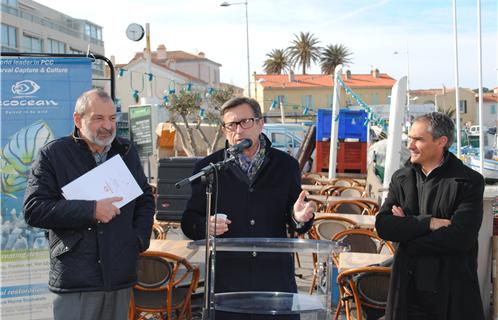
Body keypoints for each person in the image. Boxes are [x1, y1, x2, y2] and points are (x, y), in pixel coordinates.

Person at [23, 89, 155, 320]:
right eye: (98, 118)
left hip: (119, 276)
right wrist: (90, 210)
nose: (107, 126)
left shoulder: (126, 151)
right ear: (77, 119)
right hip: (77, 278)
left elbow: (144, 199)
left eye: (112, 118)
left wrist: (137, 240)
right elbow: (34, 209)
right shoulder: (53, 154)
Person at [181, 97, 315, 319]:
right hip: (228, 283)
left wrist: (298, 217)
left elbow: (297, 217)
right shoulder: (208, 168)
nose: (238, 130)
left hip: (274, 281)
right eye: (231, 125)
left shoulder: (286, 165)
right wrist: (206, 225)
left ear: (260, 123)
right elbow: (188, 220)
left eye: (245, 122)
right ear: (224, 130)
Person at [375, 112, 485, 320]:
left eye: (418, 139)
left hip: (451, 293)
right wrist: (430, 223)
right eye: (410, 138)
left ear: (441, 142)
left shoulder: (469, 182)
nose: (410, 145)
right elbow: (384, 226)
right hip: (406, 291)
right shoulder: (401, 178)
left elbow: (461, 238)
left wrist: (406, 234)